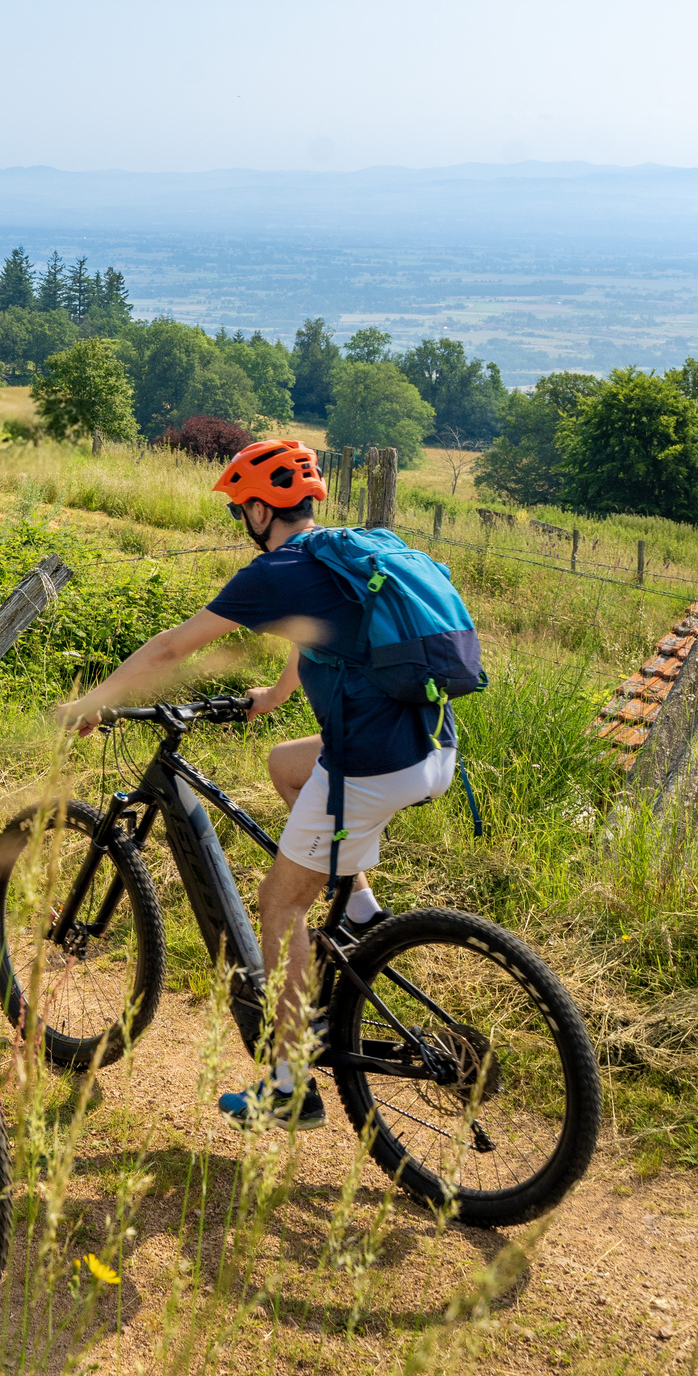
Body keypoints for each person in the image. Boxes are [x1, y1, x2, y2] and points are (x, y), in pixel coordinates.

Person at [56, 436, 459, 1129]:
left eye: (240, 508)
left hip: (369, 766)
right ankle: (361, 910)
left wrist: (95, 698)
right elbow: (319, 638)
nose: (240, 519)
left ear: (257, 508)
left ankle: (286, 1084)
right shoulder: (346, 550)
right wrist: (272, 698)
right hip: (431, 748)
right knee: (284, 764)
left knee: (280, 908)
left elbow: (171, 648)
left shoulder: (274, 571)